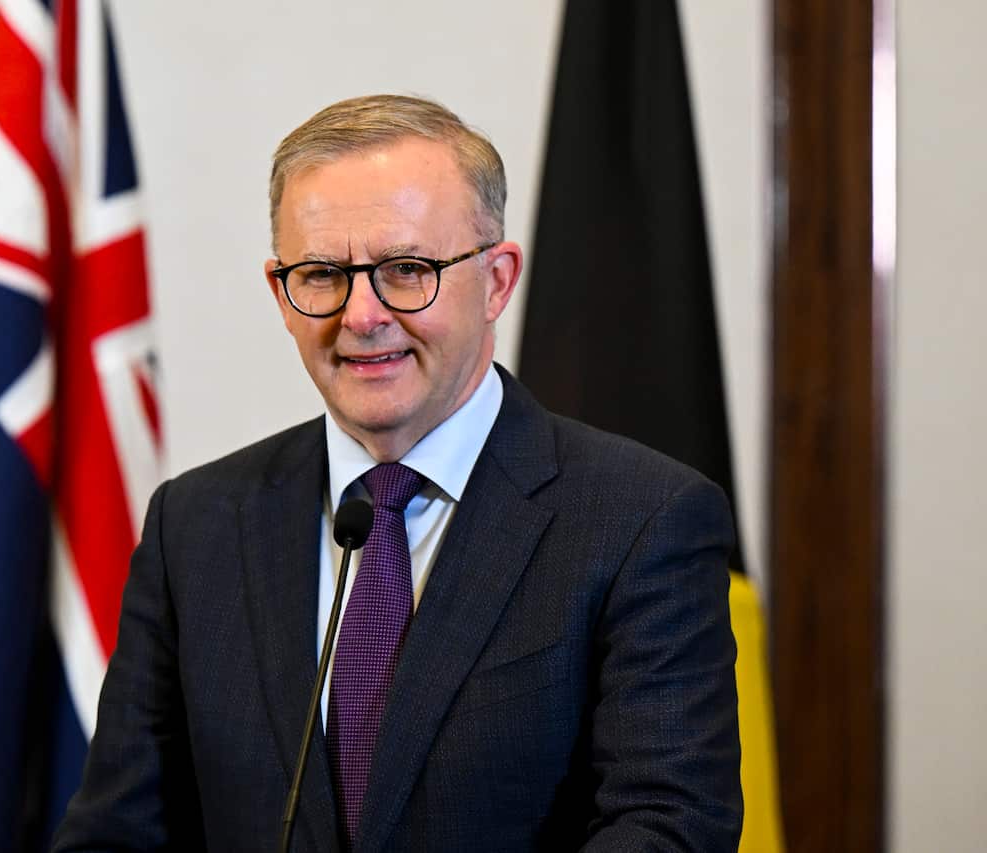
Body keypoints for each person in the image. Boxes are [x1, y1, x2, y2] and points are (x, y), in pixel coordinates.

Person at [53, 94, 741, 852]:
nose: (361, 315)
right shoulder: (198, 523)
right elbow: (116, 831)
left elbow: (671, 831)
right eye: (321, 275)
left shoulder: (643, 519)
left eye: (406, 269)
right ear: (281, 293)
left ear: (498, 280)